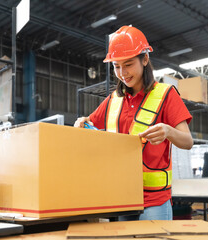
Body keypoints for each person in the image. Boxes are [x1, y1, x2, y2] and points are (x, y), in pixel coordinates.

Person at [74, 25, 193, 221]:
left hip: (154, 201)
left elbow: (187, 142)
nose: (122, 73)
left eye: (128, 64)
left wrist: (168, 131)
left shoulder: (166, 95)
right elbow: (88, 127)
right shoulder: (113, 100)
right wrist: (81, 123)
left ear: (145, 59)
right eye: (116, 66)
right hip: (122, 197)